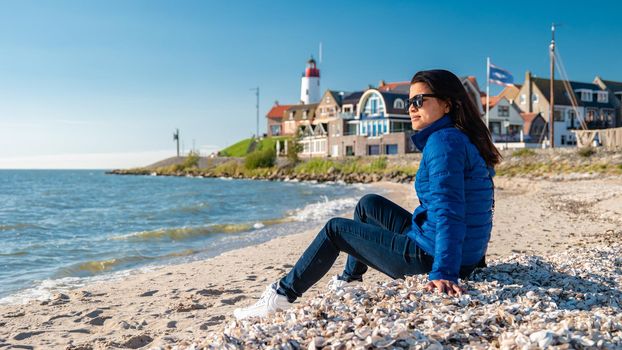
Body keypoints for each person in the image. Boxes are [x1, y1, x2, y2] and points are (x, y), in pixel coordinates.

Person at [233, 69, 501, 320]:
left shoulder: (444, 142)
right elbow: (479, 208)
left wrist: (445, 272)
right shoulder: (460, 138)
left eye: (419, 100)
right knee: (368, 204)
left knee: (335, 230)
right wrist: (476, 259)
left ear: (447, 104)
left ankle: (281, 296)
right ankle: (350, 281)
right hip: (455, 250)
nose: (411, 108)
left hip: (431, 257)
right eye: (409, 102)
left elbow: (449, 210)